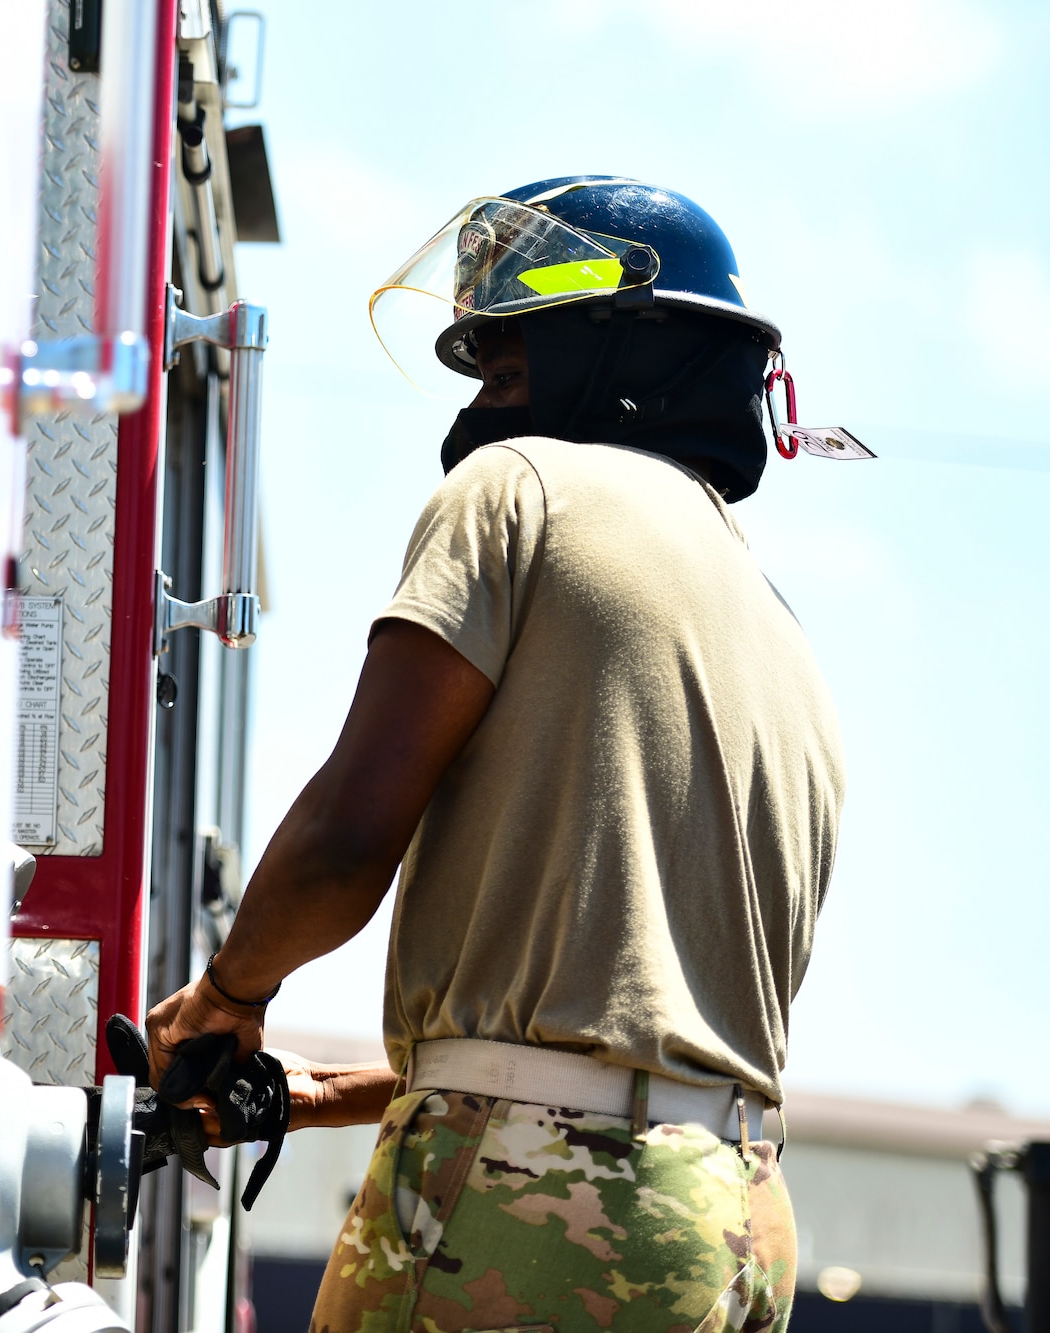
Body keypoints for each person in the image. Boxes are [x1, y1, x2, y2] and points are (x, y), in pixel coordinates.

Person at [144, 178, 845, 1333]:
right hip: (732, 1217)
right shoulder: (774, 627)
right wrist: (337, 1093)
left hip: (534, 1209)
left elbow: (350, 831)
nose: (486, 369)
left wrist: (226, 999)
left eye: (512, 338)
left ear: (632, 335)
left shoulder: (516, 491)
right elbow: (647, 1037)